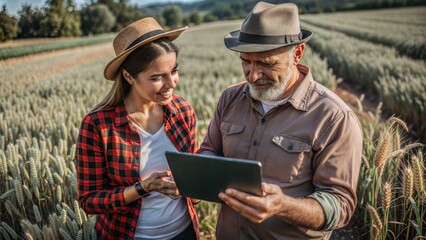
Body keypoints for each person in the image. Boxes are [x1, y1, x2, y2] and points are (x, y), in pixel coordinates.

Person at [198, 2, 363, 239]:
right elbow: (210, 151)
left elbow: (339, 206)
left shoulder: (333, 116)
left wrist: (283, 206)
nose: (253, 75)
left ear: (297, 53)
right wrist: (198, 175)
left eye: (266, 63)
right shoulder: (230, 98)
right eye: (246, 61)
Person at [76, 17, 199, 240]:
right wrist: (142, 188)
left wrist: (194, 187)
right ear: (128, 76)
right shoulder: (98, 125)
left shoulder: (183, 111)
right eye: (157, 77)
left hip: (185, 231)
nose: (171, 83)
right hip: (127, 234)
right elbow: (89, 200)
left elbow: (193, 176)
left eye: (174, 71)